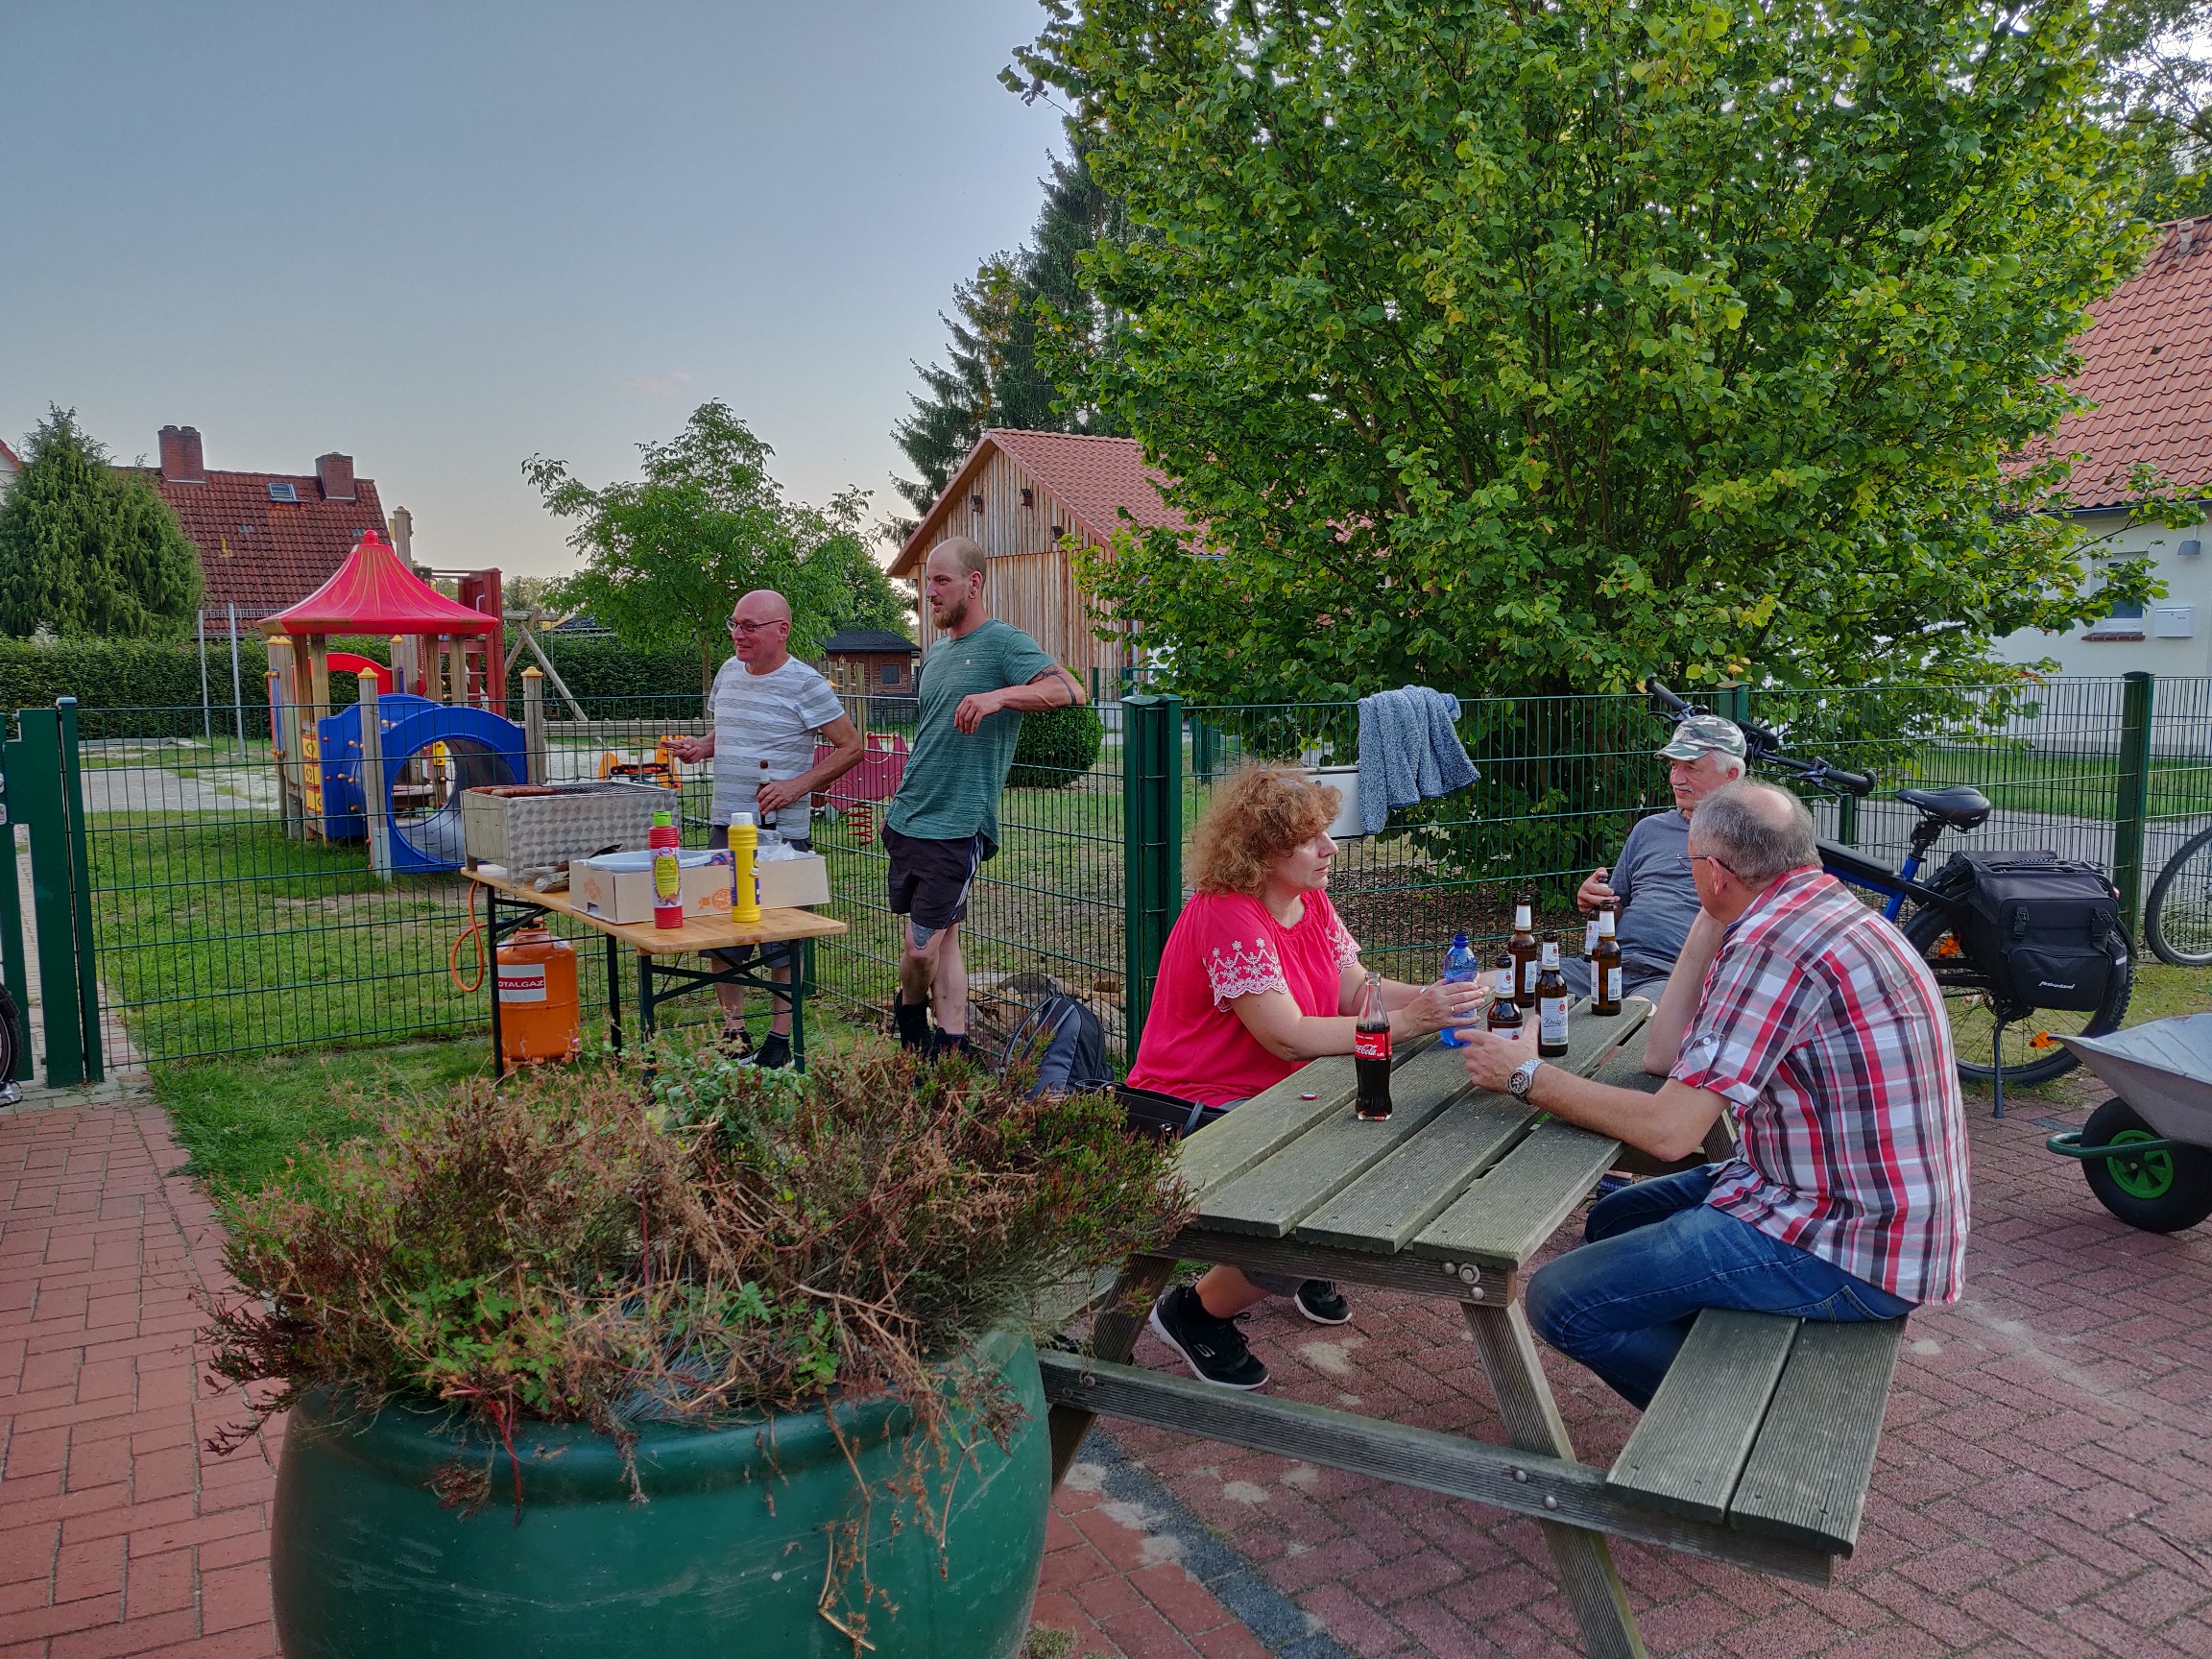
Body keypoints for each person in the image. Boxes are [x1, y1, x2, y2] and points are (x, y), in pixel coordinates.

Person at [1455, 781, 1969, 1407]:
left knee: (1558, 1300)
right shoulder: (1819, 909)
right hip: (1840, 1201)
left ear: (1717, 873)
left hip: (1851, 1249)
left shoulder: (1774, 945)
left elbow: (1671, 1133)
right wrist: (1709, 918)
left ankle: (1732, 1418)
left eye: (1691, 865)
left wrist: (1525, 1075)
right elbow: (1664, 1057)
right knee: (1616, 1218)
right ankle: (1716, 1343)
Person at [1128, 765, 1485, 1389]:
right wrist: (1407, 1021)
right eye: (1311, 839)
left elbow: (1352, 989)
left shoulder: (1307, 900)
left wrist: (1439, 998)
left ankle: (1298, 1264)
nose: (1330, 850)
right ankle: (1194, 1310)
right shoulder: (1226, 915)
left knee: (1389, 1153)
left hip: (1279, 1097)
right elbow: (1285, 1033)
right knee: (1346, 1200)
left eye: (1327, 832)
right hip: (1184, 1111)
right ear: (1261, 852)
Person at [886, 537, 1087, 1057]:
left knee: (920, 948)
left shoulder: (1002, 643)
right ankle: (951, 1041)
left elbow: (1070, 689)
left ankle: (908, 1017)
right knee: (945, 937)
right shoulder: (935, 655)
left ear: (974, 583)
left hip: (960, 823)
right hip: (910, 817)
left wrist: (999, 696)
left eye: (941, 581)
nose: (928, 592)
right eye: (925, 582)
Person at [669, 589, 865, 1067]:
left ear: (782, 630)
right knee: (720, 930)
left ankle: (779, 1039)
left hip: (778, 835)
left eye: (750, 626)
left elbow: (852, 747)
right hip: (725, 823)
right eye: (734, 624)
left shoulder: (807, 684)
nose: (738, 634)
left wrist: (797, 786)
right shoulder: (729, 673)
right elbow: (730, 731)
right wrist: (702, 747)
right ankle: (733, 1033)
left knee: (780, 937)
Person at [1565, 713, 1747, 999]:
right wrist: (1597, 901)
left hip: (1674, 977)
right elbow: (1617, 908)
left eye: (1691, 768)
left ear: (1731, 775)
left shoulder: (1753, 840)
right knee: (1493, 983)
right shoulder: (1649, 829)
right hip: (1607, 965)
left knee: (1623, 1028)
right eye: (1674, 766)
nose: (1676, 779)